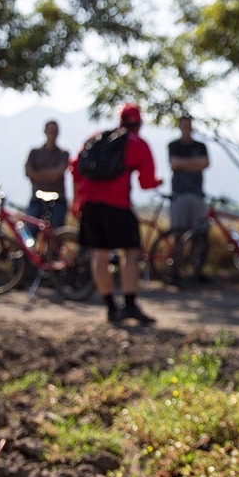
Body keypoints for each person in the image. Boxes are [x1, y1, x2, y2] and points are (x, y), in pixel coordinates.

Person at [72, 103, 163, 324]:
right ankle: (130, 304)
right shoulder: (137, 144)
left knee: (99, 255)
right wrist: (158, 182)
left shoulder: (96, 138)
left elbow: (75, 168)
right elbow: (147, 182)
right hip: (117, 205)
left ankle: (111, 307)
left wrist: (77, 201)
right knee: (132, 252)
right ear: (139, 123)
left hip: (90, 205)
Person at [24, 120, 69, 237]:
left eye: (55, 131)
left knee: (56, 234)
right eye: (50, 131)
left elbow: (58, 174)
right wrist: (50, 174)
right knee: (28, 232)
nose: (52, 134)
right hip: (36, 199)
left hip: (58, 200)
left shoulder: (63, 154)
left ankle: (54, 255)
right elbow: (29, 172)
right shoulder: (34, 153)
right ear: (45, 132)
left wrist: (38, 173)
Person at [168, 114, 210, 233]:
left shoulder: (200, 146)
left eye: (189, 125)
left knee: (199, 235)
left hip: (197, 195)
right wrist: (195, 164)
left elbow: (205, 163)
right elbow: (174, 164)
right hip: (179, 195)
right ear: (180, 127)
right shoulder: (174, 146)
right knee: (178, 233)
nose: (187, 128)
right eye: (184, 125)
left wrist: (183, 164)